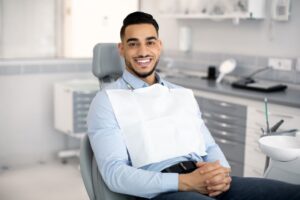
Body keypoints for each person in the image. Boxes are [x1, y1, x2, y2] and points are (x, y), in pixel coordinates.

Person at [87, 11, 300, 200]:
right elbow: (115, 173)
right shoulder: (107, 101)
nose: (143, 52)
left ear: (159, 46)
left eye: (150, 42)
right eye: (133, 44)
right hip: (165, 191)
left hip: (207, 181)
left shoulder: (181, 94)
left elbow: (209, 147)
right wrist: (185, 182)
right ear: (121, 49)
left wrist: (222, 175)